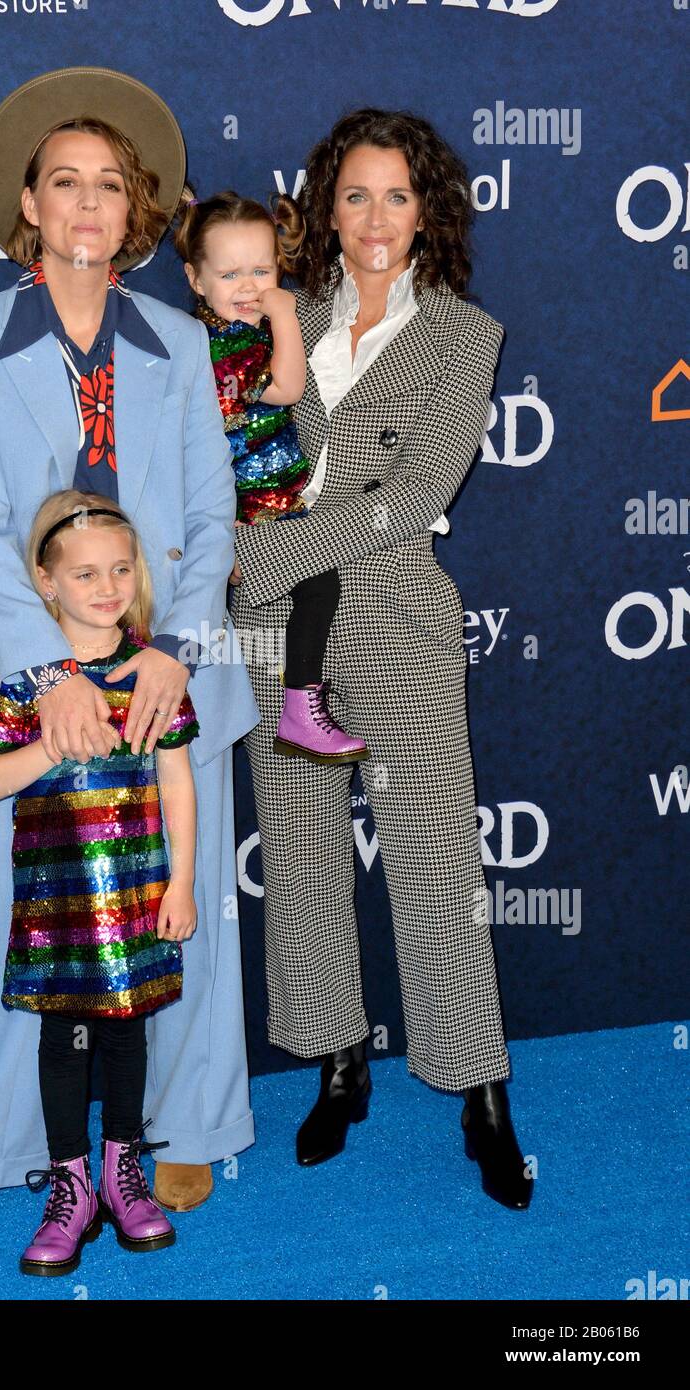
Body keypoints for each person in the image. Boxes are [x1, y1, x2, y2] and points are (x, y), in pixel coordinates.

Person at [0, 67, 259, 1230]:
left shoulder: (176, 336)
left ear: (136, 212)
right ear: (28, 202)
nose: (84, 204)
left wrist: (172, 646)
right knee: (23, 915)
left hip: (173, 666)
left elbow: (216, 515)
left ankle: (187, 1124)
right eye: (63, 182)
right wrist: (54, 673)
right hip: (38, 677)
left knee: (185, 903)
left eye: (107, 186)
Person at [230, 108, 533, 1210]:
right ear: (325, 205)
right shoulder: (277, 312)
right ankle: (336, 1060)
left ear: (429, 212)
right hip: (275, 620)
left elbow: (414, 499)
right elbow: (236, 444)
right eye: (353, 194)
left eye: (396, 196)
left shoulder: (466, 336)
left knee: (437, 862)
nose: (373, 218)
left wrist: (259, 549)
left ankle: (478, 1088)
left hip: (393, 608)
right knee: (302, 852)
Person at [0, 492, 198, 1274]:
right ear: (45, 583)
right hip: (57, 909)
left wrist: (184, 886)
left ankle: (122, 1170)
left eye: (121, 570)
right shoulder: (21, 676)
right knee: (63, 1045)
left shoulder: (152, 673)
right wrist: (57, 743)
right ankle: (71, 1186)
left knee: (129, 1037)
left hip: (137, 899)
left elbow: (177, 784)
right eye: (85, 573)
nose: (106, 587)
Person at [176, 188, 376, 765]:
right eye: (230, 273)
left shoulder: (219, 332)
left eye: (261, 271)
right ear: (196, 280)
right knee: (319, 587)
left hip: (268, 499)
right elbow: (287, 388)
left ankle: (298, 702)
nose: (247, 287)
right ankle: (299, 705)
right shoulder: (229, 344)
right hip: (252, 508)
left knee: (315, 593)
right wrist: (285, 314)